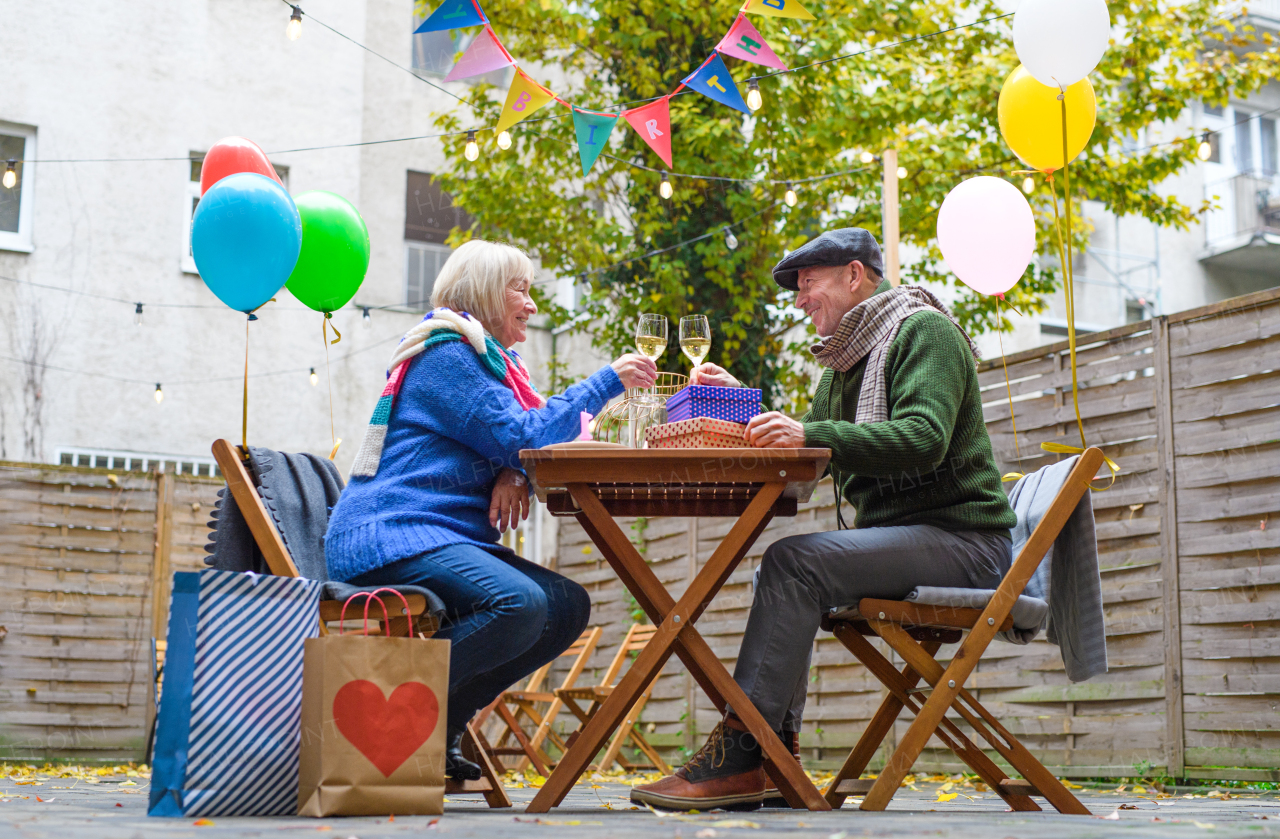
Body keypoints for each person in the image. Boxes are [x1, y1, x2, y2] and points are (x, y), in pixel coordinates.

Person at [631, 227, 1017, 811]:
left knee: (792, 561)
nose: (799, 299)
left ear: (854, 275)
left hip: (964, 542)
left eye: (808, 284)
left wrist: (807, 432)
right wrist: (741, 405)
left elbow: (924, 438)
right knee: (778, 570)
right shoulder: (844, 362)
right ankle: (772, 755)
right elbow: (811, 446)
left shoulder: (924, 332)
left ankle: (740, 753)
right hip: (917, 537)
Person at [325, 239, 657, 781]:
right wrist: (608, 379)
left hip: (438, 537)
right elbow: (524, 432)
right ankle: (391, 718)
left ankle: (439, 727)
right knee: (520, 604)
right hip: (391, 533)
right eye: (519, 289)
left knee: (565, 605)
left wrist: (515, 470)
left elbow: (518, 440)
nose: (530, 305)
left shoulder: (493, 365)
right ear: (482, 292)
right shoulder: (447, 356)